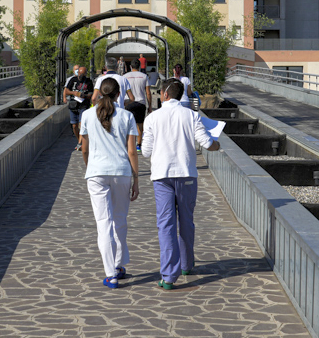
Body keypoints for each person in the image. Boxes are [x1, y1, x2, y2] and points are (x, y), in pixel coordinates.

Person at [141, 79, 220, 290]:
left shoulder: (152, 118)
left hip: (161, 176)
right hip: (186, 174)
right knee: (186, 221)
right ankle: (186, 264)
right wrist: (217, 144)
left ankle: (168, 276)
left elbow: (146, 151)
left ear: (165, 95)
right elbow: (207, 144)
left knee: (165, 224)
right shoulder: (192, 115)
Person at [80, 77, 140, 288]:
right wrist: (136, 179)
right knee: (120, 220)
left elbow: (84, 149)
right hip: (121, 172)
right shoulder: (127, 116)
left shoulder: (87, 115)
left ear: (100, 93)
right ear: (119, 94)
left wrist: (90, 167)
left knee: (103, 223)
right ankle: (118, 265)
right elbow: (132, 151)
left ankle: (110, 275)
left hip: (96, 173)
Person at [63, 64, 94, 150]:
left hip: (83, 105)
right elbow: (66, 91)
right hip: (73, 105)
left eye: (82, 74)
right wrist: (74, 93)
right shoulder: (73, 80)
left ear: (85, 74)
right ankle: (79, 140)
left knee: (81, 124)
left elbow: (91, 94)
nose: (80, 75)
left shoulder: (89, 81)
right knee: (74, 126)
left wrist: (84, 95)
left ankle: (81, 143)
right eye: (79, 73)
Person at [122, 59, 149, 145]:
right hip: (141, 102)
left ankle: (129, 143)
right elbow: (148, 92)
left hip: (128, 102)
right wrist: (150, 105)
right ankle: (139, 144)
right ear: (140, 66)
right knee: (140, 125)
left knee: (128, 124)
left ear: (130, 67)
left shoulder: (125, 76)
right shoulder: (144, 76)